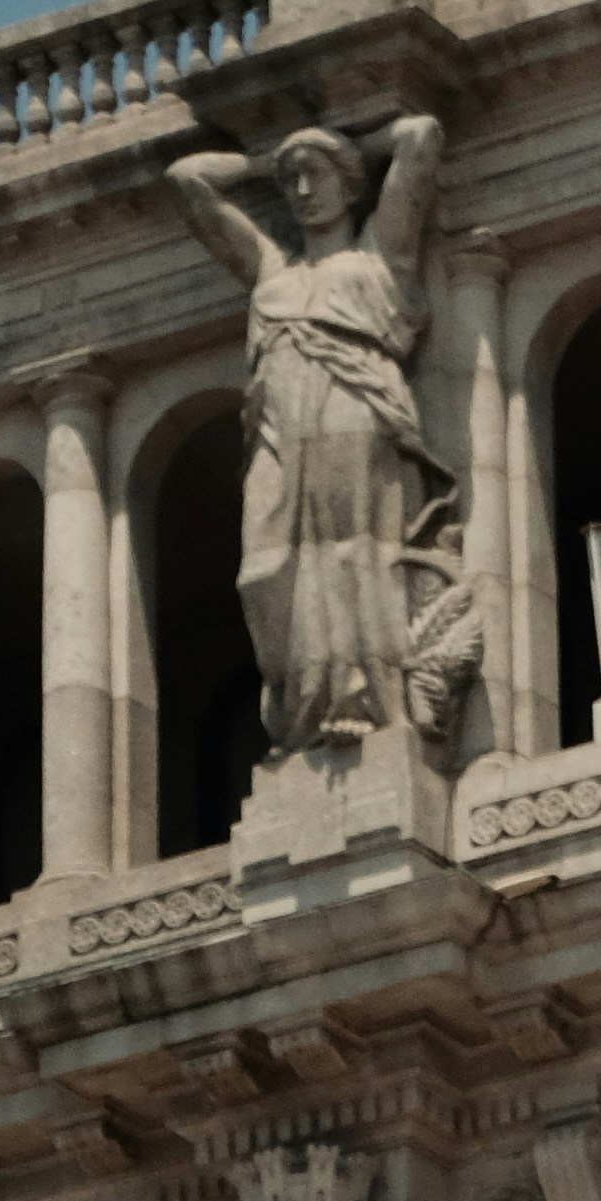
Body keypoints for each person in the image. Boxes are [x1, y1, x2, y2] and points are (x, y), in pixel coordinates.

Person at [164, 112, 474, 755]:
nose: (303, 191)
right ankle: (302, 702)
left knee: (350, 552)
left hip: (354, 408)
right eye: (293, 180)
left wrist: (348, 143)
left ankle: (359, 700)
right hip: (280, 426)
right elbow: (188, 181)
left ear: (350, 184)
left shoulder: (381, 258)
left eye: (316, 176)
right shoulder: (272, 271)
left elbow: (420, 135)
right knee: (268, 565)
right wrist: (266, 155)